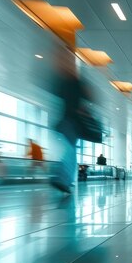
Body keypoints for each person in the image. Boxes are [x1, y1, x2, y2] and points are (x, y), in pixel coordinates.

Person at [51, 49, 92, 194]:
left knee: (70, 150)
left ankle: (64, 180)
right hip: (69, 123)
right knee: (70, 150)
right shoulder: (70, 81)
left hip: (69, 122)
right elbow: (88, 98)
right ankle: (63, 180)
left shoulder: (70, 81)